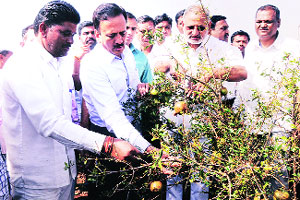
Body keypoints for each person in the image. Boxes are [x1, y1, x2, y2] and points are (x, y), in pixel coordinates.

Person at [1, 1, 140, 199]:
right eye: (65, 33)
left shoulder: (62, 63)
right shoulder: (22, 65)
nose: (70, 41)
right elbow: (49, 123)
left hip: (66, 174)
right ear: (43, 29)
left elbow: (72, 115)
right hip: (36, 183)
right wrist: (107, 144)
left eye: (73, 35)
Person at [159, 4, 247, 200]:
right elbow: (155, 66)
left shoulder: (222, 48)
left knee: (201, 170)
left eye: (200, 27)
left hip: (203, 117)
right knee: (173, 169)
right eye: (190, 27)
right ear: (182, 25)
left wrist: (212, 74)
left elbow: (242, 72)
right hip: (172, 117)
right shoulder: (170, 45)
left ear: (208, 25)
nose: (195, 32)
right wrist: (169, 65)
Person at [237, 4, 300, 197]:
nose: (263, 25)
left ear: (278, 23)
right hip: (252, 125)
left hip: (280, 125)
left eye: (268, 21)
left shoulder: (292, 48)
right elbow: (244, 85)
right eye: (259, 21)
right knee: (254, 178)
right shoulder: (251, 49)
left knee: (278, 179)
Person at [125, 12, 153, 83]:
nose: (130, 32)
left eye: (133, 29)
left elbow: (148, 84)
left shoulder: (142, 57)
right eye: (126, 28)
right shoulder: (107, 54)